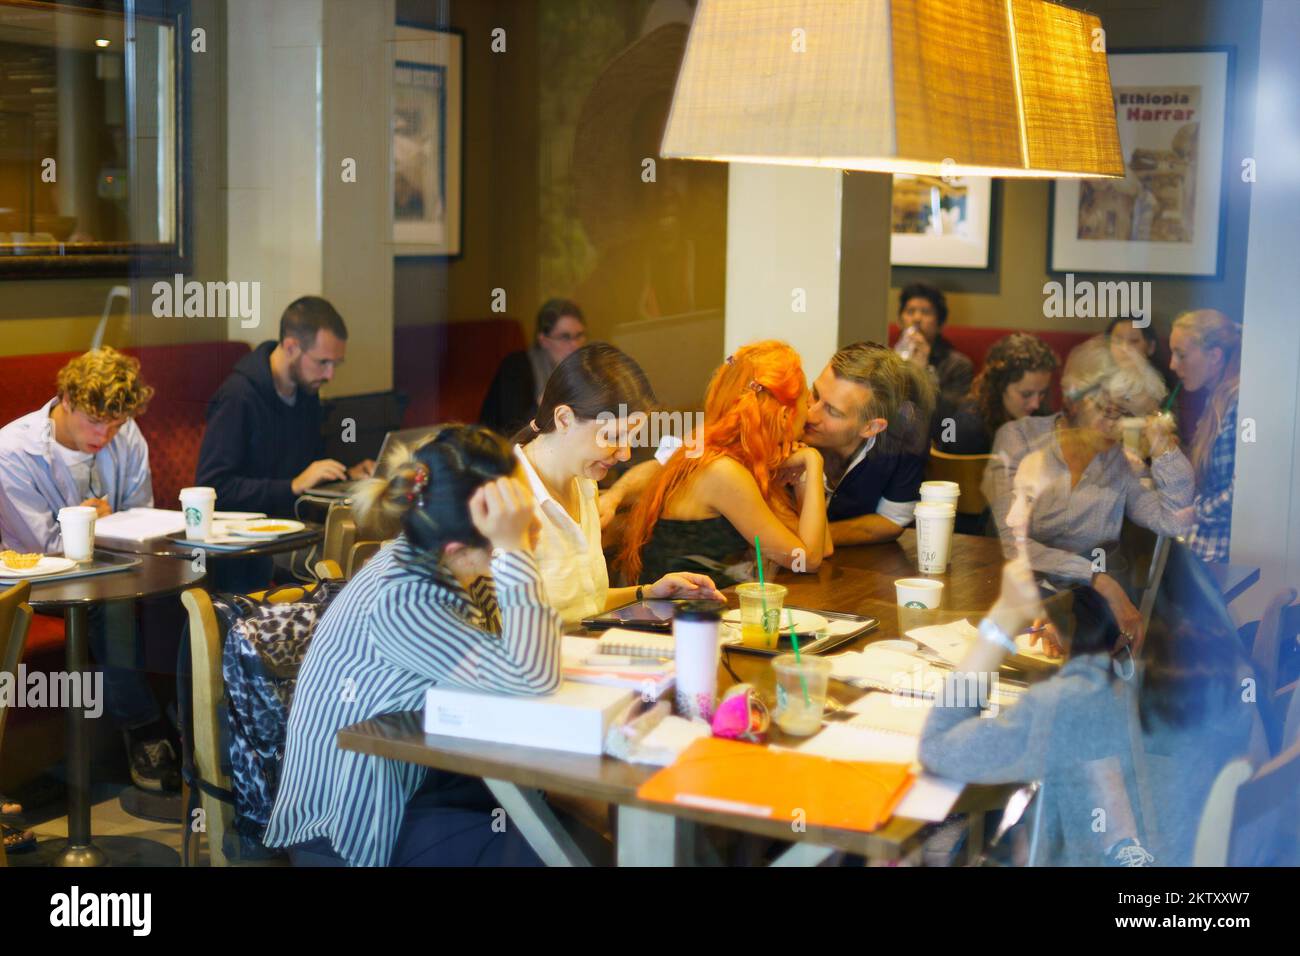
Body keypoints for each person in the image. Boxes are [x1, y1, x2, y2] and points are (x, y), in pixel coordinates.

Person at [264, 425, 562, 867]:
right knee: (537, 852)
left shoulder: (443, 565)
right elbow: (531, 678)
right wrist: (514, 549)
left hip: (419, 778)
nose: (532, 521)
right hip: (349, 822)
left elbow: (520, 657)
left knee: (560, 821)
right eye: (512, 513)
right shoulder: (404, 597)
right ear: (460, 548)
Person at [920, 543, 1268, 867]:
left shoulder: (1071, 702)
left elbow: (938, 746)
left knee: (939, 842)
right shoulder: (1218, 672)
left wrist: (998, 626)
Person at [0, 348, 180, 791]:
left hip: (116, 566)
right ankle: (145, 731)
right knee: (112, 603)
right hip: (36, 581)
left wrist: (107, 526)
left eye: (116, 424)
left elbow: (143, 517)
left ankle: (196, 727)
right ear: (65, 399)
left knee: (188, 586)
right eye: (94, 422)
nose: (105, 435)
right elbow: (42, 548)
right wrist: (93, 524)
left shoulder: (127, 433)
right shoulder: (13, 450)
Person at [601, 342, 934, 549]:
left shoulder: (905, 446)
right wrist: (615, 496)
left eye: (831, 411)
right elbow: (666, 465)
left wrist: (802, 533)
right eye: (814, 394)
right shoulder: (777, 425)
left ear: (871, 427)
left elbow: (889, 523)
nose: (810, 413)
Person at [985, 336, 1193, 649]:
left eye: (1127, 416)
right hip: (1010, 595)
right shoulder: (1019, 440)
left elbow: (1173, 521)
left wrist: (1163, 448)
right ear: (1076, 397)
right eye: (1109, 411)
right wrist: (1100, 580)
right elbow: (1014, 545)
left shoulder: (1123, 465)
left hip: (1084, 611)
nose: (1116, 428)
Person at [512, 343, 721, 625]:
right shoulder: (505, 498)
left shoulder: (584, 482)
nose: (625, 454)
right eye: (612, 437)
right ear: (563, 419)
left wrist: (648, 592)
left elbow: (584, 605)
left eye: (631, 439)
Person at [616, 341, 828, 587]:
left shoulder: (740, 459)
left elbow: (823, 547)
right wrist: (814, 463)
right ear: (783, 416)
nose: (810, 410)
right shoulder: (723, 472)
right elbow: (808, 560)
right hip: (679, 619)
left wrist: (803, 473)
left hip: (704, 610)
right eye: (806, 401)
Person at [196, 296, 374, 517]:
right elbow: (214, 488)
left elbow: (307, 471)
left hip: (297, 526)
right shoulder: (238, 397)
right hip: (251, 539)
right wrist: (292, 486)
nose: (330, 375)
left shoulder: (306, 391)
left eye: (335, 364)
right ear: (291, 347)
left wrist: (347, 475)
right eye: (323, 362)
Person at [1168, 309, 1242, 563]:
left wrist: (1193, 513)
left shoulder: (1239, 404)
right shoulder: (1217, 398)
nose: (1172, 364)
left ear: (1214, 356)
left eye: (1181, 354)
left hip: (1218, 555)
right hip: (1201, 546)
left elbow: (1241, 491)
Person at [932, 332, 1058, 456]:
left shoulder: (1041, 415)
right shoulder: (968, 427)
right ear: (999, 386)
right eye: (1026, 394)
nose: (1035, 404)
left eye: (1042, 393)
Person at [479, 298, 588, 437]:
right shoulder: (516, 367)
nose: (575, 345)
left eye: (579, 336)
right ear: (543, 340)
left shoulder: (583, 368)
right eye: (565, 337)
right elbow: (512, 429)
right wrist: (544, 402)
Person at [893, 282, 974, 409]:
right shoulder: (889, 357)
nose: (917, 318)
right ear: (900, 321)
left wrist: (923, 372)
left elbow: (949, 415)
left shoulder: (958, 366)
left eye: (926, 312)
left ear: (940, 324)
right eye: (910, 311)